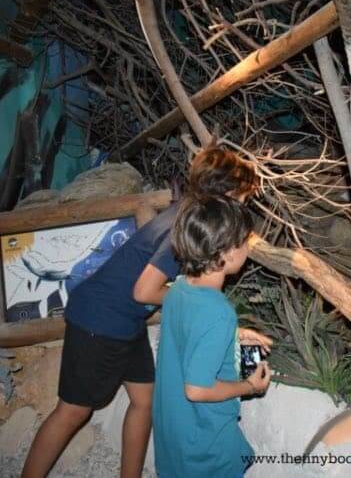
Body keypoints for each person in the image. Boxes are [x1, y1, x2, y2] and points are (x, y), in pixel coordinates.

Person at [21, 147, 262, 478]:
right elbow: (144, 290)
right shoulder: (184, 227)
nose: (243, 206)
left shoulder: (189, 215)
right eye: (242, 198)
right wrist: (187, 297)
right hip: (101, 319)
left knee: (144, 401)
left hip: (125, 322)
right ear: (227, 193)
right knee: (74, 411)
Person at [153, 195, 272, 478]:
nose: (247, 246)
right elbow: (197, 389)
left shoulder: (179, 289)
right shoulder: (219, 312)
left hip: (174, 432)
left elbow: (188, 335)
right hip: (204, 442)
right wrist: (249, 386)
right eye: (245, 241)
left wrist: (234, 337)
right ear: (228, 252)